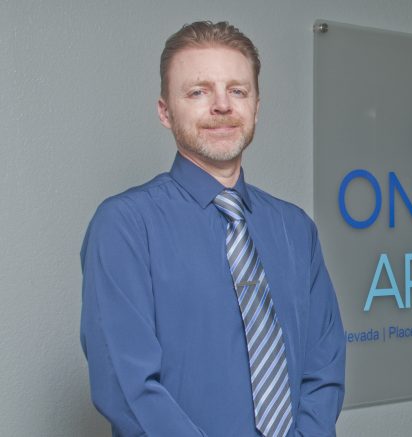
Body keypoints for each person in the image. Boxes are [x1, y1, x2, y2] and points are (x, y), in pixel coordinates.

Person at [80, 21, 345, 437]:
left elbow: (324, 366)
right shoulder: (124, 226)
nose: (222, 105)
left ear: (256, 106)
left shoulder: (295, 230)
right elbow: (126, 387)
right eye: (198, 91)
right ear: (165, 111)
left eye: (237, 91)